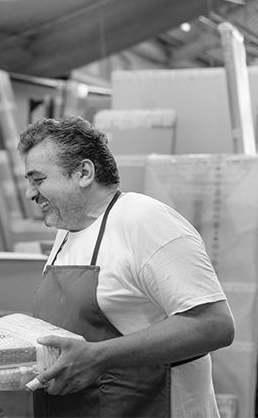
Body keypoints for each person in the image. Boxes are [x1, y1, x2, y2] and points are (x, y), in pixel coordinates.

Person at [17, 116, 234, 418]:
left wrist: (98, 357)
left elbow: (214, 325)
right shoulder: (69, 231)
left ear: (83, 172)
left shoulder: (144, 221)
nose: (30, 193)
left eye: (38, 179)